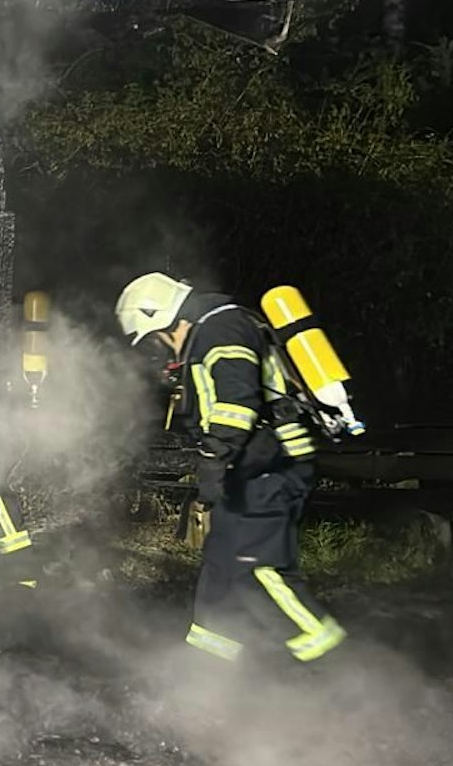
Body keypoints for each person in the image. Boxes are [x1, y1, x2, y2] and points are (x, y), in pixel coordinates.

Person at [115, 272, 347, 666]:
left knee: (259, 567)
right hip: (249, 465)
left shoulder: (221, 328)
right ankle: (209, 668)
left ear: (162, 320)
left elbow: (236, 404)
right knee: (223, 563)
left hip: (273, 464)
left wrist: (213, 459)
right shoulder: (213, 329)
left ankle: (332, 658)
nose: (157, 349)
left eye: (153, 339)